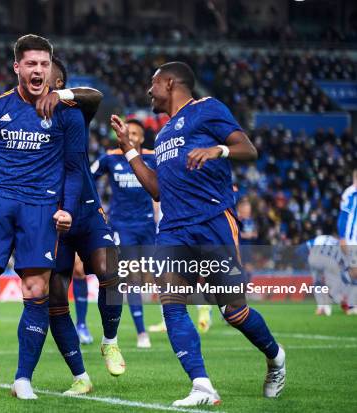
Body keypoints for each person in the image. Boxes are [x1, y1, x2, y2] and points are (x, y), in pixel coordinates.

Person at [110, 61, 285, 406]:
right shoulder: (161, 136)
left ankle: (276, 358)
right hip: (173, 229)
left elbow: (248, 149)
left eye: (153, 83)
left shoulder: (207, 109)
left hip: (211, 221)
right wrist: (129, 150)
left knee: (233, 312)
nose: (149, 91)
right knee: (172, 305)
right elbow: (157, 189)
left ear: (171, 83)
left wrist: (217, 150)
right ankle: (202, 386)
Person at [0, 56, 124, 395]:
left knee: (110, 272)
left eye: (54, 79)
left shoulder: (72, 111)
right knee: (52, 300)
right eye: (33, 69)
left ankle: (110, 339)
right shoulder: (9, 111)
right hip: (46, 213)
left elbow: (92, 95)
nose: (46, 82)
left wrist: (62, 97)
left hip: (82, 211)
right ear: (19, 69)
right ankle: (80, 376)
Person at [91, 118, 155, 348]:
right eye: (128, 133)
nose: (132, 136)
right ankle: (142, 333)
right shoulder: (110, 158)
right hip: (122, 225)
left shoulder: (153, 158)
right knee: (132, 277)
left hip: (148, 225)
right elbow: (88, 178)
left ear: (142, 137)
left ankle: (195, 309)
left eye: (136, 133)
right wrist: (97, 208)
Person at [338, 168, 357, 313]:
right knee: (354, 271)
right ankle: (350, 303)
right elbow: (343, 217)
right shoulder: (350, 194)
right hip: (351, 239)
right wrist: (342, 237)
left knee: (354, 272)